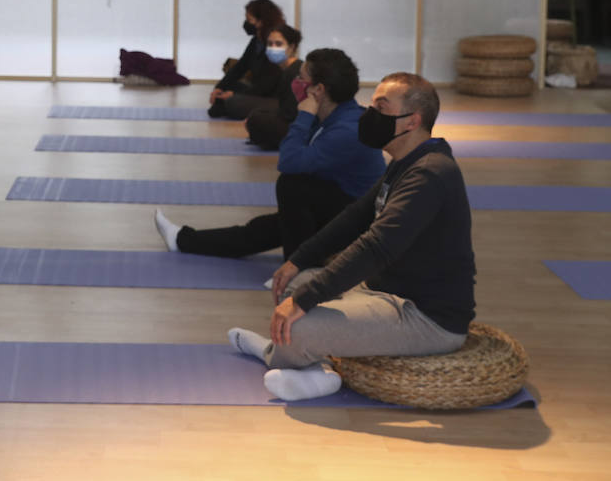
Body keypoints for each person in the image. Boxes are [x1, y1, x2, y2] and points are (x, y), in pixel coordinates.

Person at [228, 72, 475, 401]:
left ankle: (308, 369)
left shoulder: (430, 172)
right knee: (292, 282)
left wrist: (305, 300)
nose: (369, 116)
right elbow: (355, 217)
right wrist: (297, 260)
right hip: (385, 292)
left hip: (425, 317)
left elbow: (376, 246)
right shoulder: (405, 163)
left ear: (411, 121)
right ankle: (304, 364)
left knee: (299, 320)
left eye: (381, 108)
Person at [156, 48, 383, 260]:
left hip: (357, 221)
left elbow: (289, 162)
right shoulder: (332, 116)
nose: (296, 82)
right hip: (334, 205)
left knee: (292, 185)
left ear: (319, 90)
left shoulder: (347, 128)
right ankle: (183, 240)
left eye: (301, 78)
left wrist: (303, 117)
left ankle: (299, 267)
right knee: (263, 229)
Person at [208, 0, 286, 120]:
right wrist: (219, 88)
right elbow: (240, 67)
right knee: (224, 97)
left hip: (271, 97)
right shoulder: (256, 41)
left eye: (249, 20)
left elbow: (267, 85)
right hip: (256, 91)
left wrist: (235, 95)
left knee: (231, 102)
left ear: (261, 21)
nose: (246, 23)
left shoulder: (275, 45)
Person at [244, 24, 304, 151]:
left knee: (256, 119)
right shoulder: (287, 69)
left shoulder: (294, 72)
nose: (273, 48)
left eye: (278, 44)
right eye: (270, 44)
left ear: (292, 47)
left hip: (300, 128)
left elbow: (290, 114)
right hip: (294, 120)